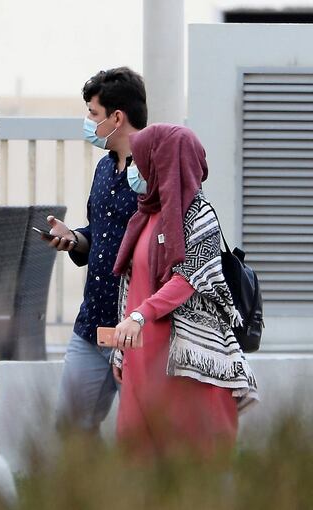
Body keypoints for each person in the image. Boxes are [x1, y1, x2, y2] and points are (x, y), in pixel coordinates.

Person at [111, 124, 258, 458]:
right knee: (137, 458)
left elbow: (188, 278)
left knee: (190, 458)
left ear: (161, 161)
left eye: (142, 160)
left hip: (185, 357)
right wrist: (121, 350)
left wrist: (139, 315)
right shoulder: (144, 214)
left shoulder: (198, 215)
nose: (137, 169)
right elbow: (131, 285)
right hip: (141, 352)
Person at [44, 67, 147, 435]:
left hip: (136, 331)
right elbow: (101, 235)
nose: (88, 122)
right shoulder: (104, 168)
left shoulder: (154, 172)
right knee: (69, 428)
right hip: (92, 325)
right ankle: (83, 494)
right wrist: (74, 237)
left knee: (143, 439)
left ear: (117, 117)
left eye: (93, 113)